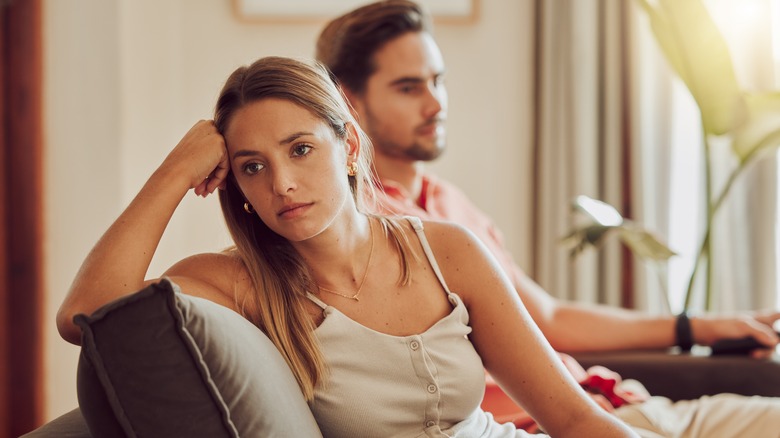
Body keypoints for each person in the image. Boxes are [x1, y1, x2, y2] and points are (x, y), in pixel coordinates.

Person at [56, 56, 637, 437]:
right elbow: (84, 316)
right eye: (251, 166)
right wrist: (175, 171)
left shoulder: (446, 250)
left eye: (301, 149)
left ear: (351, 147)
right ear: (232, 182)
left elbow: (574, 418)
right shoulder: (236, 284)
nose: (280, 183)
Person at [315, 0, 780, 436]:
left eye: (438, 80)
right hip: (548, 424)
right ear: (347, 100)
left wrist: (696, 326)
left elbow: (547, 316)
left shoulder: (448, 202)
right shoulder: (361, 230)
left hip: (617, 403)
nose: (436, 103)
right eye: (409, 87)